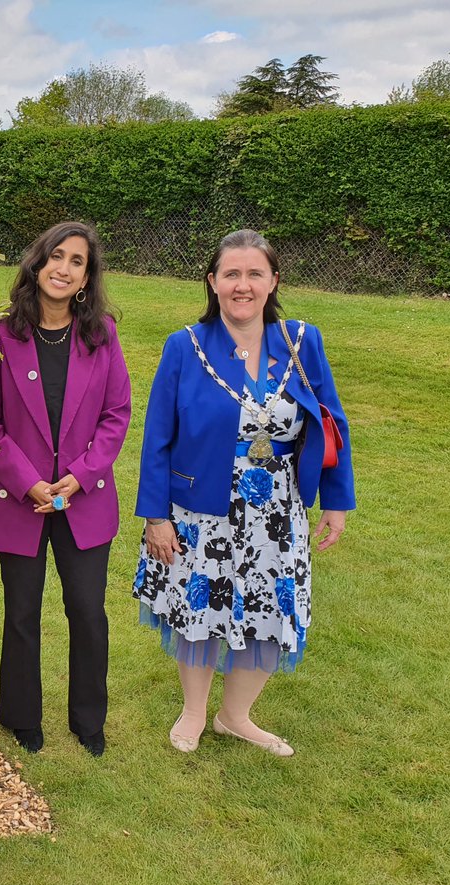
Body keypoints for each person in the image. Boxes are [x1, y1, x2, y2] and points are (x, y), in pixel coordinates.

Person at [134, 229, 355, 756]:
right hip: (201, 509)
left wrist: (337, 501)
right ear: (212, 283)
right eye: (231, 274)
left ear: (273, 280)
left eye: (255, 273)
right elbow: (157, 436)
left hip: (277, 510)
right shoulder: (184, 346)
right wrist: (155, 516)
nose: (242, 285)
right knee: (201, 606)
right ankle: (192, 712)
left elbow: (331, 422)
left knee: (269, 607)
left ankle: (235, 717)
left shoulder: (302, 341)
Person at [0, 222, 131, 756]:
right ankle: (21, 715)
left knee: (87, 611)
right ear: (36, 264)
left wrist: (84, 474)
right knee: (22, 612)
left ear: (87, 277)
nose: (64, 269)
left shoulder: (102, 335)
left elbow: (116, 415)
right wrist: (27, 483)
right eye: (56, 257)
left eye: (77, 261)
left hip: (84, 499)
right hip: (21, 501)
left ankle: (89, 718)